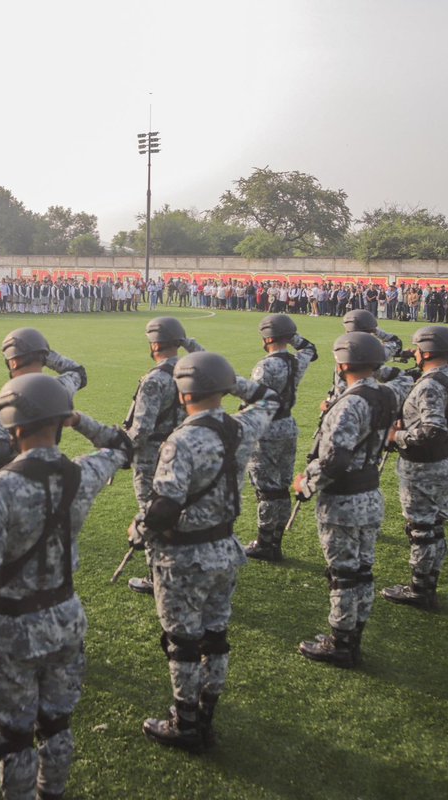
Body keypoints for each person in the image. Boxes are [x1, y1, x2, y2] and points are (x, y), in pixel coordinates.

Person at [0, 374, 132, 799]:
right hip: (65, 617)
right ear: (59, 422)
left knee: (13, 737)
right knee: (57, 724)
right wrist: (80, 420)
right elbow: (123, 447)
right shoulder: (82, 473)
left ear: (13, 428)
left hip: (10, 629)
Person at [134, 352, 280, 750]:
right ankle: (207, 714)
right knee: (216, 636)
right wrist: (231, 382)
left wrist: (139, 528)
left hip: (183, 556)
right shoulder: (240, 427)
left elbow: (165, 507)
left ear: (183, 394)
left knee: (182, 642)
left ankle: (185, 723)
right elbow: (270, 399)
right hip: (225, 549)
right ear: (220, 389)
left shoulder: (180, 440)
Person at [295, 334, 412, 667]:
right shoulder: (386, 395)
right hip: (370, 493)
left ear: (343, 363)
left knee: (344, 574)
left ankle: (342, 643)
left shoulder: (349, 403)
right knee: (362, 570)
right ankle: (353, 634)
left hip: (344, 500)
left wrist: (306, 484)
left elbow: (335, 460)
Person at [382, 326, 448, 609]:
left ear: (427, 352)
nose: (414, 353)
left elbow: (433, 428)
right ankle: (428, 582)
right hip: (443, 461)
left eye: (417, 348)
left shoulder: (430, 384)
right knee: (433, 528)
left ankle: (420, 589)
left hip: (423, 467)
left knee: (420, 529)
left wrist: (398, 437)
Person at [122, 317, 205, 594]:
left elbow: (142, 428)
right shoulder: (190, 371)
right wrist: (188, 343)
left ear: (155, 344)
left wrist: (123, 445)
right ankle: (183, 569)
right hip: (184, 450)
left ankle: (157, 576)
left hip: (151, 457)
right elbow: (208, 359)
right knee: (179, 511)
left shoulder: (154, 379)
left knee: (152, 512)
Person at [0, 328, 87, 488]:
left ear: (13, 362)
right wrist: (43, 354)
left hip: (16, 485)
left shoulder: (4, 400)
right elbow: (78, 372)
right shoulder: (60, 388)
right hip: (51, 476)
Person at [243, 314, 318, 561]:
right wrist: (290, 335)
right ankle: (275, 540)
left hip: (267, 429)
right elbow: (310, 348)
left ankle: (265, 543)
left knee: (266, 489)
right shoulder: (296, 362)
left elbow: (254, 401)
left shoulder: (265, 366)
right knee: (281, 486)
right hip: (288, 425)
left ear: (267, 338)